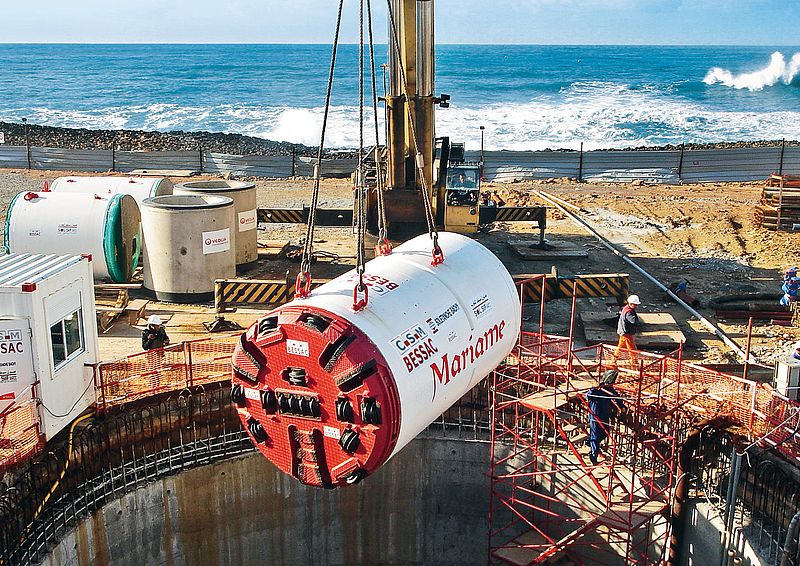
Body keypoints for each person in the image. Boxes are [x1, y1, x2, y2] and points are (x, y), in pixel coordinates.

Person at [586, 370, 624, 465]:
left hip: (604, 415)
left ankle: (590, 443)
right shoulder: (598, 389)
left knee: (605, 433)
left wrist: (621, 406)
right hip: (595, 416)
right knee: (595, 436)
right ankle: (593, 457)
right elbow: (588, 395)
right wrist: (593, 388)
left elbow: (616, 396)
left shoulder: (609, 388)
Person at [613, 294, 641, 362]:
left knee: (621, 346)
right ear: (631, 304)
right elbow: (633, 321)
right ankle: (633, 360)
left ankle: (614, 358)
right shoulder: (629, 312)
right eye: (635, 304)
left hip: (623, 331)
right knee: (631, 347)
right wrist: (637, 320)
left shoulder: (626, 308)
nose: (636, 306)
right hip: (626, 332)